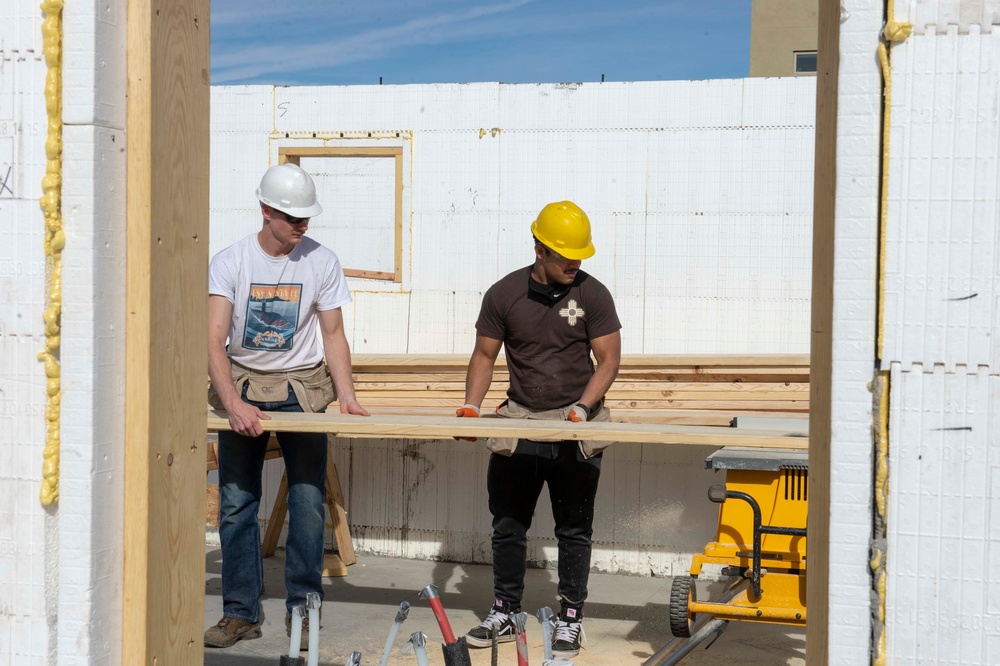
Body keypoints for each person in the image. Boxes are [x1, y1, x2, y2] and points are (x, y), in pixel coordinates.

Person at [204, 163, 369, 649]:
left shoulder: (322, 261)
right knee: (236, 504)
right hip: (244, 383)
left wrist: (348, 396)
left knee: (306, 501)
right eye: (293, 218)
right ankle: (240, 613)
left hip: (302, 388)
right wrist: (232, 402)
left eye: (306, 219)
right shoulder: (231, 262)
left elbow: (333, 333)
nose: (302, 226)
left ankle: (304, 611)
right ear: (266, 211)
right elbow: (214, 340)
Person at [457, 201, 622, 659]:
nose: (575, 263)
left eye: (580, 254)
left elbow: (608, 360)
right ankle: (506, 609)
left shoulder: (593, 295)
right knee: (508, 524)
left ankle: (571, 616)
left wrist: (584, 408)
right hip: (521, 420)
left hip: (576, 422)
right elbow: (484, 356)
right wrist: (471, 406)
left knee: (574, 527)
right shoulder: (504, 294)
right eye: (566, 254)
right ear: (539, 249)